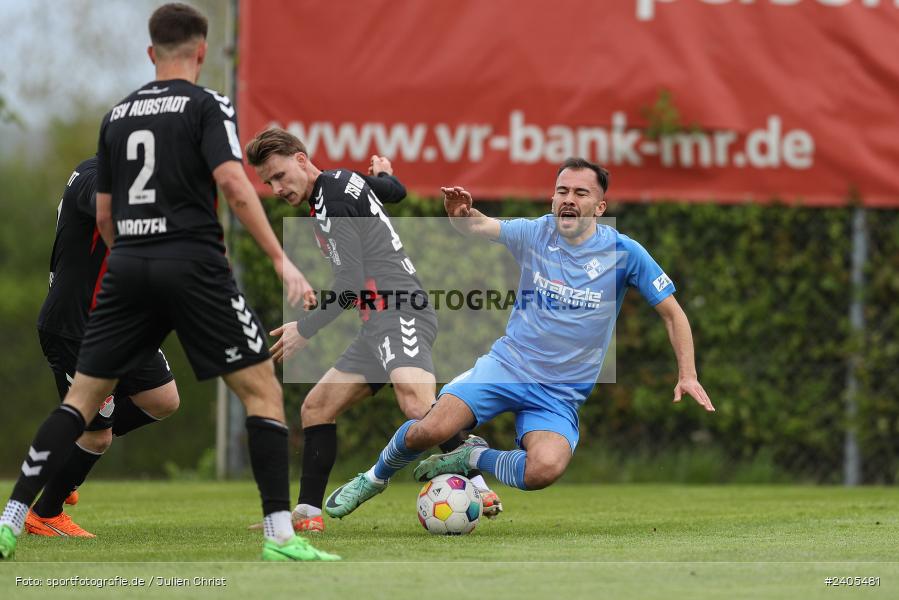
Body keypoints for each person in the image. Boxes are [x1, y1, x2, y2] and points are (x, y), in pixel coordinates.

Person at [0, 3, 337, 562]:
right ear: (202, 52)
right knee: (262, 391)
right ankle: (281, 537)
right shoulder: (207, 105)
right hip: (191, 266)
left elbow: (104, 218)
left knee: (84, 404)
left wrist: (132, 262)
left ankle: (11, 519)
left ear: (150, 53)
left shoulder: (117, 116)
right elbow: (234, 184)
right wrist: (281, 260)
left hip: (130, 269)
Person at [324, 157, 715, 517]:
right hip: (507, 366)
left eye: (581, 193)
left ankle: (470, 458)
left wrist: (688, 374)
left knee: (544, 469)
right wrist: (461, 215)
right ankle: (373, 478)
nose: (569, 199)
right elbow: (481, 225)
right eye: (562, 191)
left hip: (559, 393)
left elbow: (673, 314)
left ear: (600, 207)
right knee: (431, 429)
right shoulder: (536, 232)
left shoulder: (625, 253)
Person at [244, 127, 501, 533]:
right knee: (316, 408)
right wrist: (382, 174)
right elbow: (394, 191)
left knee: (418, 404)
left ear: (300, 159)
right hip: (376, 322)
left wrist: (305, 328)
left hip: (399, 311)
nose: (276, 188)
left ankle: (481, 486)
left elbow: (349, 284)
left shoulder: (331, 200)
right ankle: (307, 515)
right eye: (268, 182)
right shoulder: (342, 180)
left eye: (279, 175)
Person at [28, 156, 179, 538]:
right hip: (75, 327)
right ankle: (44, 514)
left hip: (117, 324)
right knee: (97, 436)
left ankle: (67, 460)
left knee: (162, 398)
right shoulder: (92, 176)